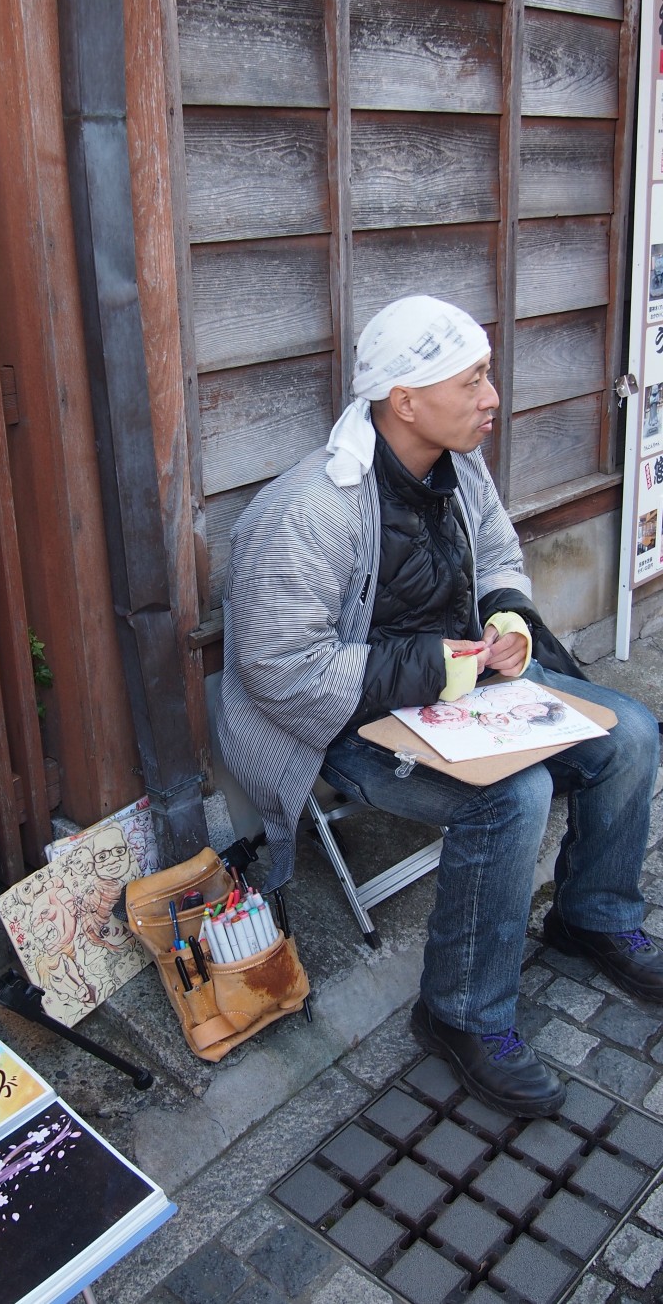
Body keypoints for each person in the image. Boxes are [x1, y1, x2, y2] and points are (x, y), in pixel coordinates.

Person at [217, 294, 661, 1119]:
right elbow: (279, 669)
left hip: (459, 690)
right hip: (347, 725)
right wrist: (431, 664)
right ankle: (459, 1011)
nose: (494, 396)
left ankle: (592, 914)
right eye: (476, 379)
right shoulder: (311, 509)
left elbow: (497, 548)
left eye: (487, 375)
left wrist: (509, 620)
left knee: (630, 732)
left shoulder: (459, 466)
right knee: (512, 792)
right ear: (405, 399)